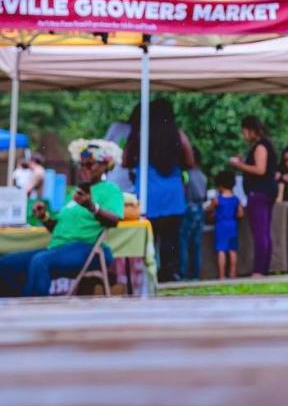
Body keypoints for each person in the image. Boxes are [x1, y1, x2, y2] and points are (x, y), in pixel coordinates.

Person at [0, 139, 124, 297]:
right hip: (59, 249)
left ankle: (33, 311)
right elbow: (57, 227)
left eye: (89, 164)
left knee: (41, 261)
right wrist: (44, 217)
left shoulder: (111, 190)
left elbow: (114, 220)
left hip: (87, 248)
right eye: (82, 164)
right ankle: (13, 310)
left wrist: (91, 206)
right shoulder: (75, 192)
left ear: (105, 166)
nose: (84, 168)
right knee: (6, 263)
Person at [123, 99, 194, 283]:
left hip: (149, 193)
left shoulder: (139, 135)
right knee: (171, 239)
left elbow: (125, 161)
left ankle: (149, 274)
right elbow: (190, 161)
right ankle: (170, 273)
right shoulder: (177, 134)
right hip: (172, 194)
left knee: (149, 238)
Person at [228, 116, 277, 278]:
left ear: (251, 130)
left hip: (259, 192)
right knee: (263, 231)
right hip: (265, 192)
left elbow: (260, 169)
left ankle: (259, 269)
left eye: (244, 132)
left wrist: (239, 165)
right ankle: (263, 267)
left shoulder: (261, 146)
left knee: (260, 232)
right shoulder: (264, 145)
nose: (244, 136)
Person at [178, 147, 207, 281]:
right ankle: (196, 274)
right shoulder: (202, 175)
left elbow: (183, 189)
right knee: (196, 244)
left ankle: (183, 273)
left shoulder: (186, 174)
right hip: (200, 209)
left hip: (188, 207)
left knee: (183, 242)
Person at [208, 170, 242, 280]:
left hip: (221, 225)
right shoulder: (236, 199)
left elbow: (209, 210)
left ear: (220, 186)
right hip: (232, 224)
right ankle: (233, 272)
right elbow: (240, 214)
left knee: (221, 250)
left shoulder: (218, 200)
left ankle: (222, 275)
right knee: (232, 250)